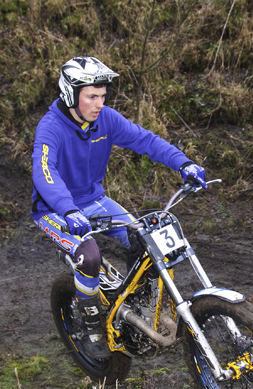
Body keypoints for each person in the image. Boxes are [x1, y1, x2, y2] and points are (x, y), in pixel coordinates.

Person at [30, 57, 207, 360]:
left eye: (102, 96)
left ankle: (138, 305)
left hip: (94, 200)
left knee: (145, 239)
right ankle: (91, 327)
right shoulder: (51, 128)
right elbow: (44, 172)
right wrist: (68, 209)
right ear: (71, 95)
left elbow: (145, 140)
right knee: (88, 256)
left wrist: (184, 163)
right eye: (91, 97)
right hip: (55, 209)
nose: (99, 104)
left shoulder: (106, 119)